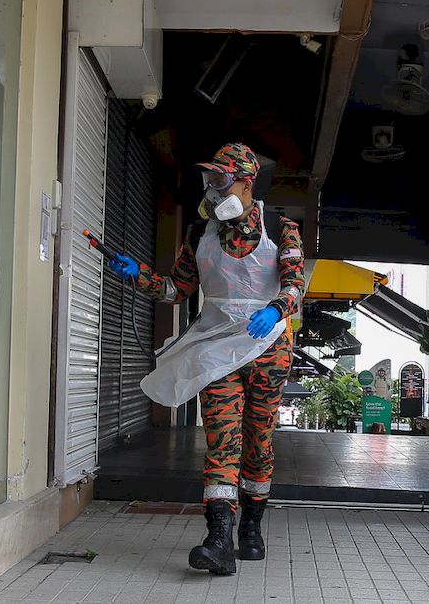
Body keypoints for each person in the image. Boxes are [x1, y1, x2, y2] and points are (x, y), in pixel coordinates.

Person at [107, 143, 305, 575]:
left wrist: (276, 308)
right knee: (221, 439)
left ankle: (251, 528)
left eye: (221, 179)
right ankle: (218, 540)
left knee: (258, 441)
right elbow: (176, 290)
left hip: (268, 348)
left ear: (246, 181)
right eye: (209, 180)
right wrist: (138, 275)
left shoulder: (282, 228)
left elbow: (295, 283)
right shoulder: (200, 233)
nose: (213, 188)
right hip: (216, 348)